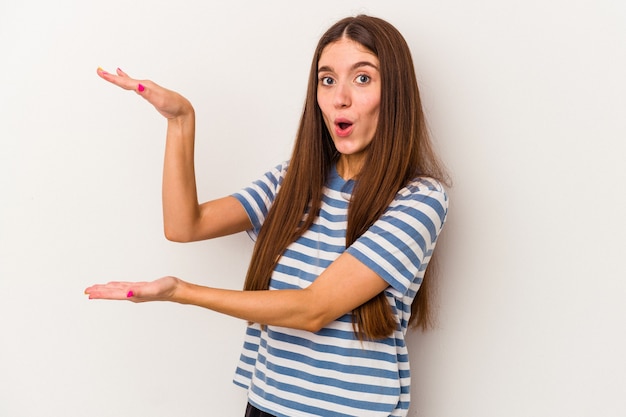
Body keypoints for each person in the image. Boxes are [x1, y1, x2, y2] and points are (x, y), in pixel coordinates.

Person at [85, 14, 449, 417]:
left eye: (362, 78)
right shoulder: (293, 180)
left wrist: (181, 292)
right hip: (265, 404)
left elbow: (314, 309)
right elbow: (185, 225)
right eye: (327, 80)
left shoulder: (419, 200)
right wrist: (180, 121)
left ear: (395, 92)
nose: (340, 98)